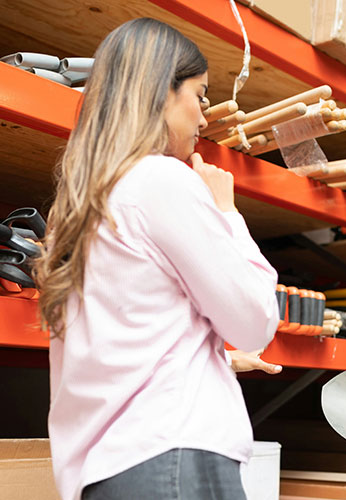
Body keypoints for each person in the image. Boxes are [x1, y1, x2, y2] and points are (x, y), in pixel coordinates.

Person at [34, 18, 280, 500]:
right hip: (174, 461)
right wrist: (227, 213)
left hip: (108, 472)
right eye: (201, 95)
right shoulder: (161, 181)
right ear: (160, 92)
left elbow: (120, 346)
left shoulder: (79, 206)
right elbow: (255, 320)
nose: (205, 118)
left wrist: (211, 359)